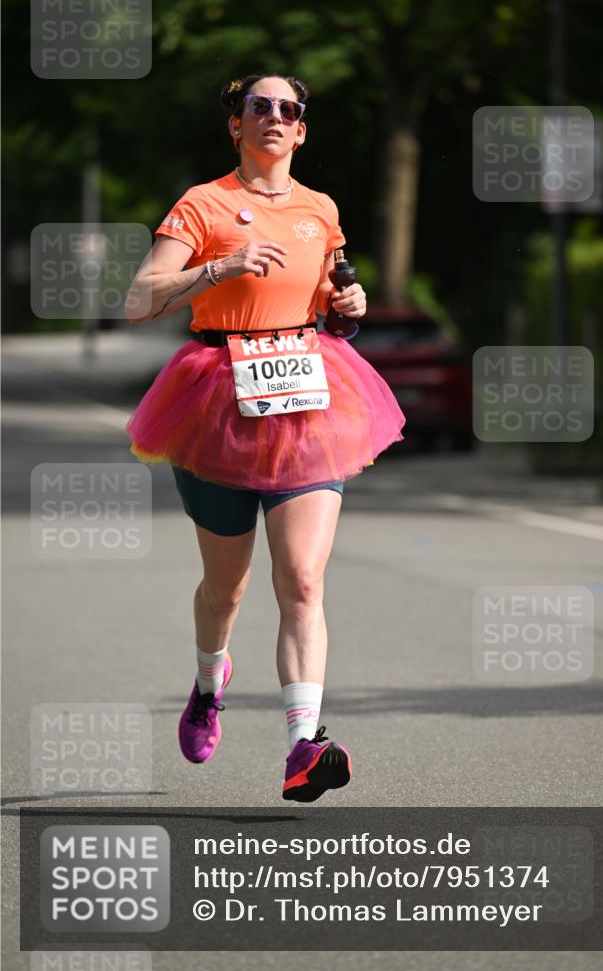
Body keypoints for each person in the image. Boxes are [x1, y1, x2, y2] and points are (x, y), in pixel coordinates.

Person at [123, 72, 405, 802]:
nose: (275, 117)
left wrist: (347, 305)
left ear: (301, 130)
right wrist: (216, 266)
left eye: (289, 109)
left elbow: (327, 304)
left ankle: (302, 746)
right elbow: (137, 300)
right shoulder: (203, 203)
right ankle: (210, 680)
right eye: (260, 107)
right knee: (227, 589)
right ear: (237, 125)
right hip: (216, 395)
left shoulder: (320, 209)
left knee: (303, 580)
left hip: (309, 394)